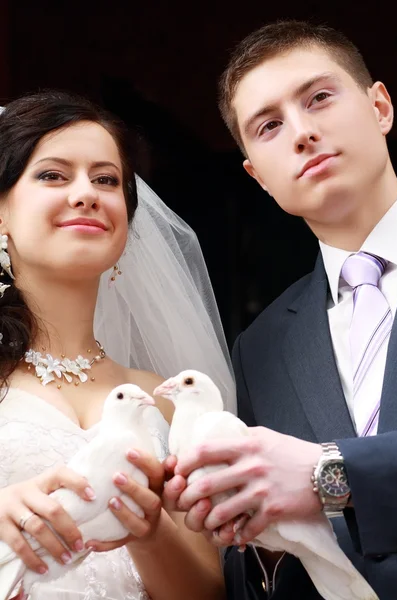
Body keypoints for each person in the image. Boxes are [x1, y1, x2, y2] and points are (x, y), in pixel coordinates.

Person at [163, 20, 397, 599]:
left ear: (380, 107)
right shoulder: (261, 346)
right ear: (257, 175)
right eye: (268, 127)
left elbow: (318, 478)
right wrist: (247, 533)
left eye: (319, 98)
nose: (301, 132)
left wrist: (330, 474)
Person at [0, 91, 235, 599]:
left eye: (106, 180)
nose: (86, 194)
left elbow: (210, 592)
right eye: (53, 175)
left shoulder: (167, 398)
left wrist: (149, 533)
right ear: (0, 214)